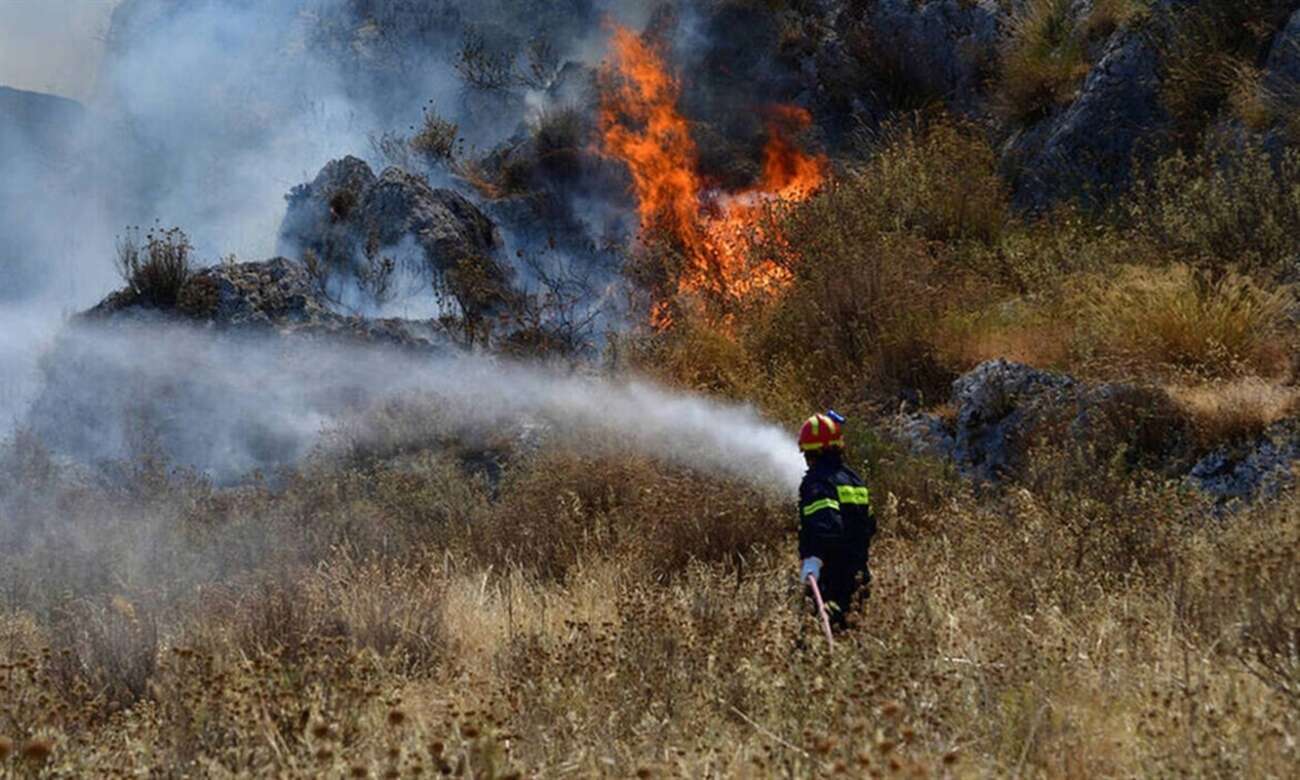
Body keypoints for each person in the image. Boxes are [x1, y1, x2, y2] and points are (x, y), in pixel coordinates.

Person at [797, 411, 875, 630]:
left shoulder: (817, 482)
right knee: (851, 642)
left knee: (817, 645)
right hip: (859, 578)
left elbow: (826, 526)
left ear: (810, 452)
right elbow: (870, 525)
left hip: (831, 582)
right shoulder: (854, 480)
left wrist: (814, 560)